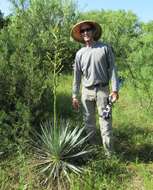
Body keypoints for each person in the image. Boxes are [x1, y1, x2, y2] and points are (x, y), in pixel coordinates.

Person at [70, 20, 119, 157]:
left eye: (88, 29)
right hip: (86, 93)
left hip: (103, 91)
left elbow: (113, 69)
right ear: (81, 34)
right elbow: (77, 76)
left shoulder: (104, 48)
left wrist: (114, 90)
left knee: (105, 124)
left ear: (93, 31)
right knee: (89, 125)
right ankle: (94, 152)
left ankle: (110, 156)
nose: (85, 32)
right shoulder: (79, 53)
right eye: (82, 31)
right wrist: (75, 95)